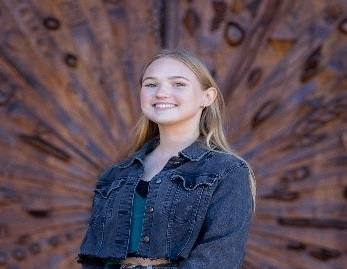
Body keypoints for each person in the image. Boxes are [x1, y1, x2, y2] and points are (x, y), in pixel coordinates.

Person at [77, 49, 256, 269]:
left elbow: (220, 257)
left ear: (207, 97)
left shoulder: (227, 171)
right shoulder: (115, 175)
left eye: (178, 84)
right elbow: (94, 259)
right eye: (151, 84)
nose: (161, 93)